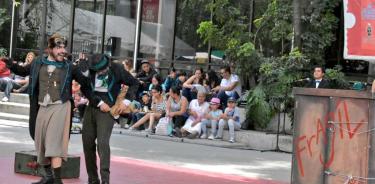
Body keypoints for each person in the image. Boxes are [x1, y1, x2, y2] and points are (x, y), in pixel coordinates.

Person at [4, 33, 96, 184]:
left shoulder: (69, 67)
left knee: (54, 144)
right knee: (41, 144)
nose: (62, 51)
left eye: (64, 48)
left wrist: (85, 70)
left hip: (60, 106)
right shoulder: (38, 62)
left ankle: (58, 181)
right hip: (42, 106)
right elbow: (22, 71)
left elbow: (85, 83)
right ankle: (48, 177)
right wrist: (11, 64)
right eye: (59, 48)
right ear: (50, 49)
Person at [80, 53, 139, 184]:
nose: (103, 71)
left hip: (108, 111)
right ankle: (93, 179)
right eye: (100, 70)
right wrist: (99, 103)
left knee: (102, 143)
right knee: (87, 143)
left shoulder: (117, 69)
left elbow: (134, 83)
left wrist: (126, 101)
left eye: (105, 68)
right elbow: (85, 88)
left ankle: (105, 180)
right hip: (93, 106)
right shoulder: (88, 69)